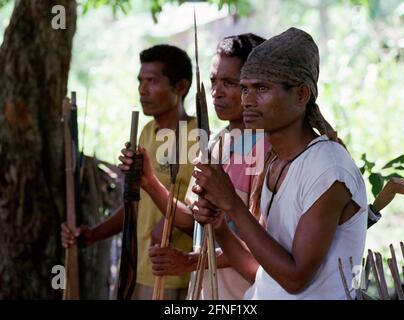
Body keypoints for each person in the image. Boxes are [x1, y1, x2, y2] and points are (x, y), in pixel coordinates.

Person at [192, 27, 368, 299]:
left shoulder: (328, 168)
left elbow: (295, 279)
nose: (247, 100)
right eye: (244, 89)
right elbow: (261, 273)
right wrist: (220, 228)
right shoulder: (274, 162)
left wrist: (232, 204)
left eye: (262, 89)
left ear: (301, 95)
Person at [120, 33, 268, 300]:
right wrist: (150, 182)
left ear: (255, 85)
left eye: (229, 83)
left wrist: (189, 261)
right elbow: (193, 221)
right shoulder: (216, 144)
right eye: (213, 81)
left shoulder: (267, 150)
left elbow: (263, 250)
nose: (216, 92)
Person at [61, 44, 196, 300]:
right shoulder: (146, 131)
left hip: (169, 275)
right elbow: (136, 202)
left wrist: (168, 222)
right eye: (140, 81)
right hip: (134, 267)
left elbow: (200, 210)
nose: (142, 90)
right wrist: (93, 234)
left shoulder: (196, 138)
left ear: (180, 87)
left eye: (152, 81)